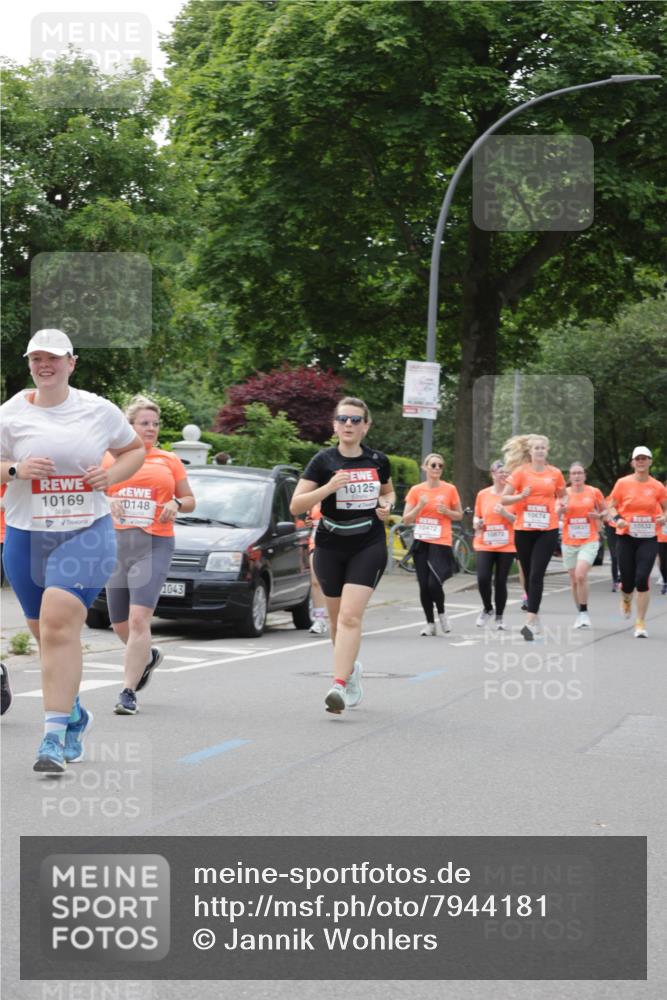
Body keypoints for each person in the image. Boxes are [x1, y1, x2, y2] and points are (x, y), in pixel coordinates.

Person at [0, 329, 145, 772]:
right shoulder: (10, 413)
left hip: (85, 532)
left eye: (54, 358)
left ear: (71, 363)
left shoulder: (97, 409)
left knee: (59, 623)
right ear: (29, 364)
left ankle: (53, 737)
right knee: (45, 635)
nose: (45, 365)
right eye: (37, 359)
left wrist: (111, 475)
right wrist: (16, 469)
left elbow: (133, 450)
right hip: (26, 535)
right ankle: (75, 712)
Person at [289, 397, 394, 714]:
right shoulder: (323, 461)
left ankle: (337, 685)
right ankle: (350, 672)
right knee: (336, 622)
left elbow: (388, 491)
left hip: (368, 544)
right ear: (335, 425)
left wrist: (387, 505)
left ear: (366, 426)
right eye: (343, 419)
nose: (349, 424)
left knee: (350, 616)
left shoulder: (378, 460)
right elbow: (296, 505)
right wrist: (329, 487)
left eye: (356, 420)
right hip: (330, 545)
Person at [104, 396, 195, 715]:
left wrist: (176, 503)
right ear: (129, 426)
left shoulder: (168, 460)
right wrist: (107, 501)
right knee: (119, 624)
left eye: (155, 424)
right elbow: (90, 493)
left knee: (139, 618)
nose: (151, 428)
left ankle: (127, 692)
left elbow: (190, 499)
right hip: (115, 546)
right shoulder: (109, 458)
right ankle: (148, 655)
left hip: (155, 544)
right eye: (144, 423)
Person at [501, 434, 567, 641]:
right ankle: (535, 615)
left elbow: (563, 495)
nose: (539, 450)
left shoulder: (555, 473)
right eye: (536, 448)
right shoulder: (520, 472)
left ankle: (529, 621)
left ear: (547, 450)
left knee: (537, 574)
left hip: (547, 529)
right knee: (529, 574)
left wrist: (561, 504)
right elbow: (504, 498)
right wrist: (520, 496)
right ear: (529, 451)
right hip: (524, 529)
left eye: (542, 448)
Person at [607, 447, 667, 638]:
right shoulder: (622, 483)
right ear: (633, 462)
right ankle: (626, 598)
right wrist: (618, 519)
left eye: (644, 458)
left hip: (648, 537)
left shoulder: (657, 486)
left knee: (642, 578)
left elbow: (666, 508)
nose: (641, 461)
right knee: (627, 581)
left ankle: (640, 623)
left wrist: (664, 517)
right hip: (626, 536)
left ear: (650, 461)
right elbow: (611, 505)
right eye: (637, 458)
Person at [402, 453, 462, 636]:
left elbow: (459, 515)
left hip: (441, 541)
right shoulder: (416, 490)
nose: (437, 468)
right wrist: (419, 506)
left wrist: (447, 512)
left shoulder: (450, 489)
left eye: (440, 466)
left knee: (434, 584)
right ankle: (430, 623)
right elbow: (406, 520)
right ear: (425, 467)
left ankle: (442, 614)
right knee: (423, 585)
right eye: (433, 465)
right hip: (422, 542)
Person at [560, 463, 606, 629]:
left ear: (585, 475)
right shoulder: (563, 494)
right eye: (574, 473)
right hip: (569, 541)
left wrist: (598, 515)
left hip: (589, 540)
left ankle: (584, 612)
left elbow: (606, 511)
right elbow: (555, 512)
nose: (577, 476)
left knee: (580, 575)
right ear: (570, 477)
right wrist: (560, 510)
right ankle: (580, 613)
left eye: (580, 473)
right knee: (574, 581)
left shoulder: (594, 492)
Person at [472, 460, 516, 631]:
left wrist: (505, 513)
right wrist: (476, 522)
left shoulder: (514, 495)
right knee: (483, 578)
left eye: (507, 472)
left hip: (506, 544)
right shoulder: (483, 494)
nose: (504, 475)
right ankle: (488, 608)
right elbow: (477, 515)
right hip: (485, 542)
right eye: (500, 472)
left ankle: (499, 617)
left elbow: (519, 521)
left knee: (500, 581)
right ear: (493, 474)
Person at [306, 502, 328, 635]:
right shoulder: (314, 498)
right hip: (316, 541)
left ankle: (344, 615)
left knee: (339, 582)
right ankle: (319, 619)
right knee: (315, 581)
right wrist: (308, 522)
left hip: (338, 542)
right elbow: (309, 520)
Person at [604, 494, 622, 592]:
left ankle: (623, 578)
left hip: (623, 528)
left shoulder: (626, 497)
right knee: (614, 556)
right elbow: (605, 515)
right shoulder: (608, 499)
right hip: (611, 529)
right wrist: (605, 516)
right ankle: (615, 581)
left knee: (624, 555)